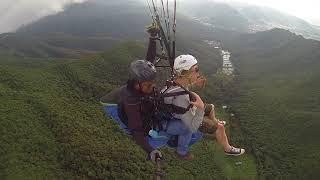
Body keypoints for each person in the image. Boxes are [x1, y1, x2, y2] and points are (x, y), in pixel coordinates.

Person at [162, 54, 245, 160]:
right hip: (181, 118)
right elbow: (192, 127)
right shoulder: (180, 99)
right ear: (185, 73)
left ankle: (215, 120)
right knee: (218, 128)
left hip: (182, 111)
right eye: (196, 70)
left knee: (211, 107)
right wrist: (200, 108)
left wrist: (195, 84)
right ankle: (228, 149)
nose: (198, 72)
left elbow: (184, 88)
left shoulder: (176, 81)